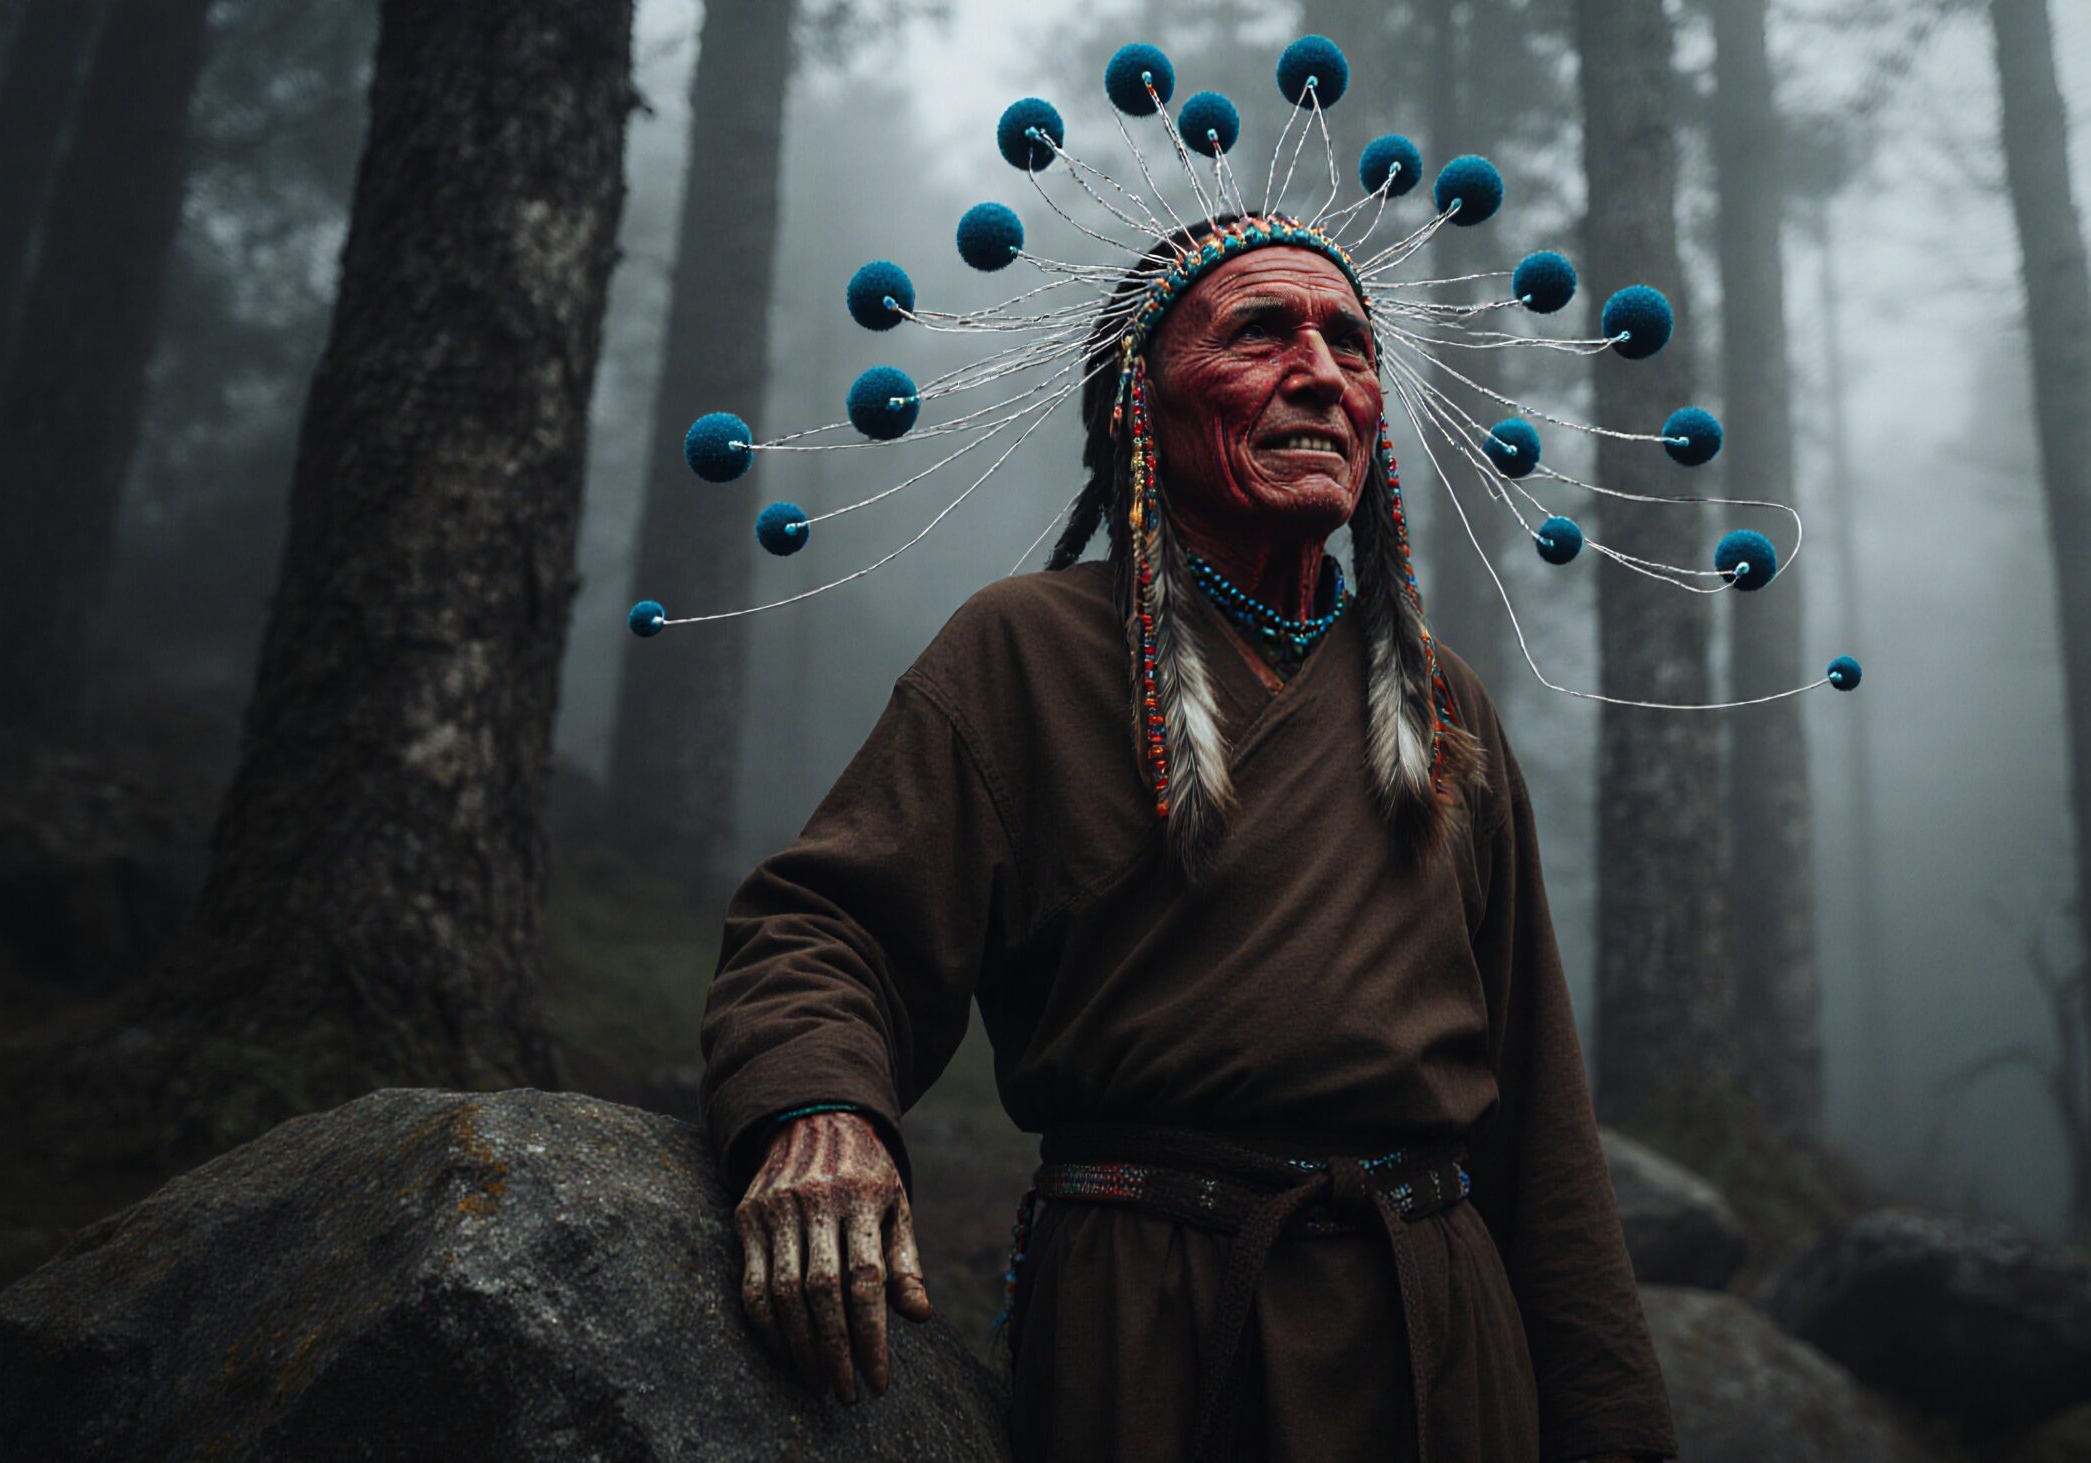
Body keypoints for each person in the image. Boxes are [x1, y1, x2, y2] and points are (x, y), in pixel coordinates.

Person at [701, 213, 1677, 1463]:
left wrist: (1610, 1428)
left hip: (1438, 1336)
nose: (1323, 372)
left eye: (1351, 344)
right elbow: (829, 927)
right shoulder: (1026, 651)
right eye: (1260, 332)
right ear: (1135, 403)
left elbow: (1537, 1115)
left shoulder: (1440, 702)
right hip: (1152, 1323)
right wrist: (820, 1108)